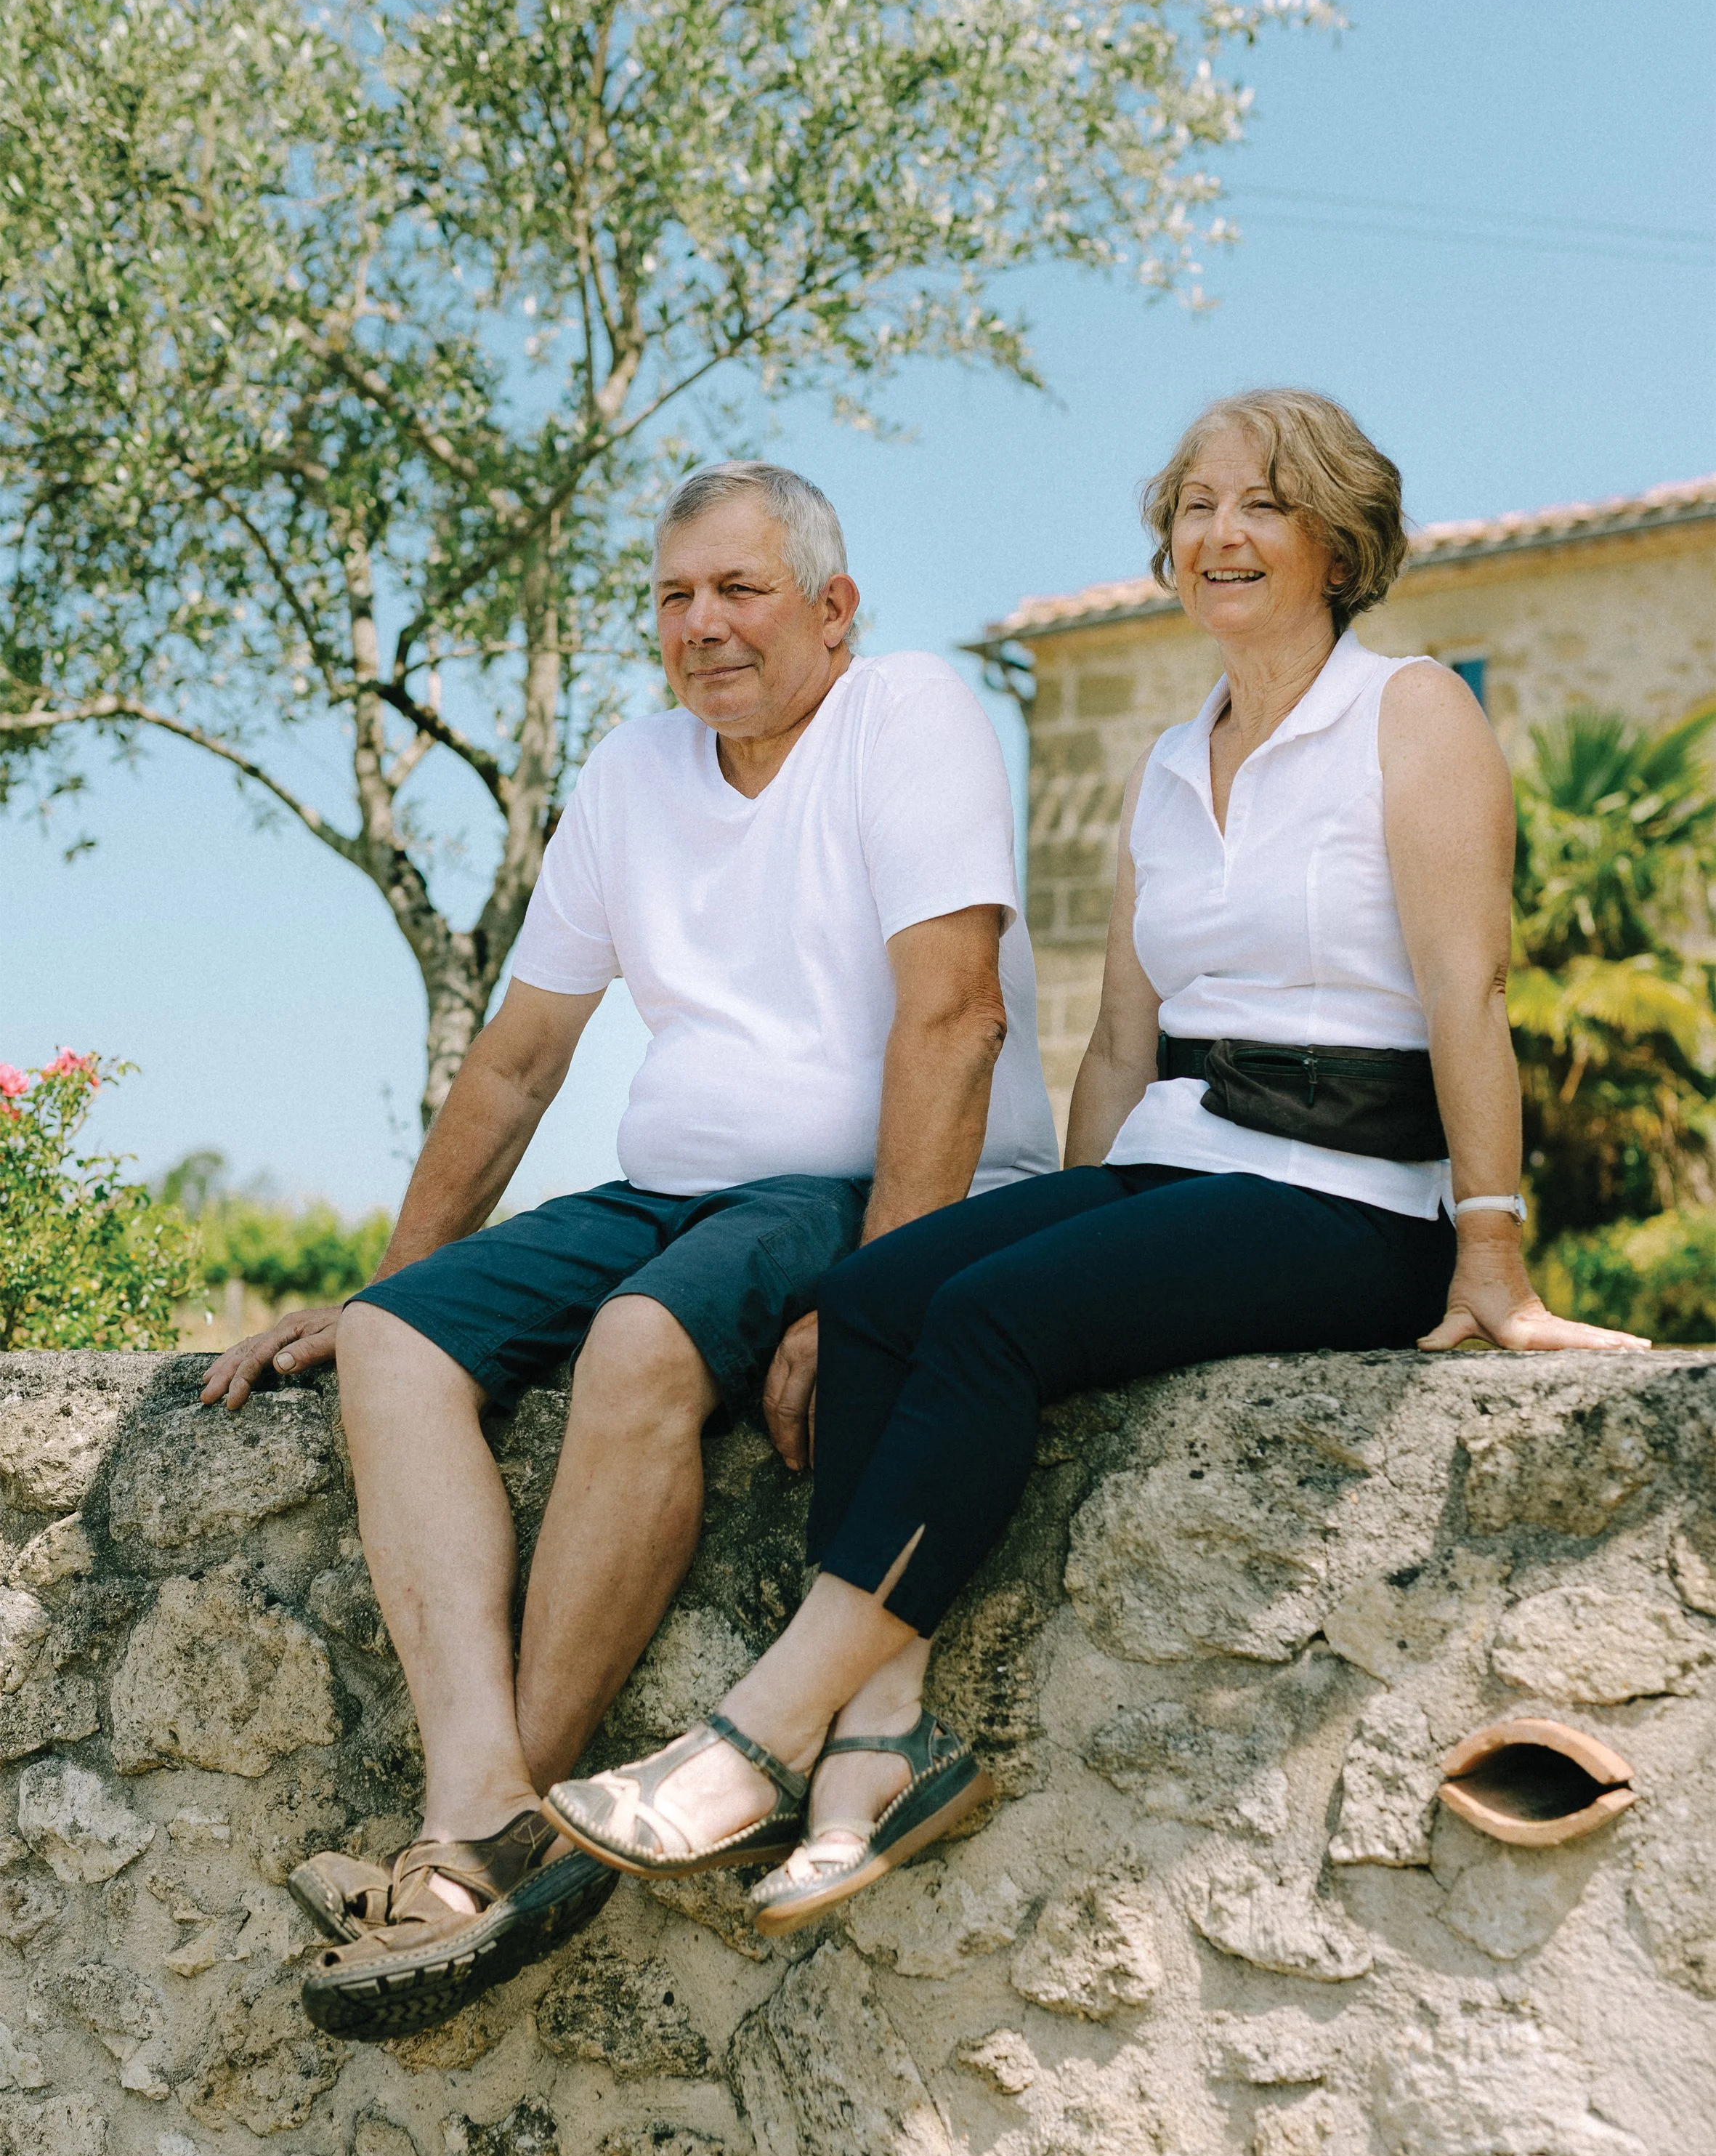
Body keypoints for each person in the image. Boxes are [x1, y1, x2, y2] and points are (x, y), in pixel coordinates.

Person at [547, 387, 1649, 1933]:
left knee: (994, 1321)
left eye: (1259, 503)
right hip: (1179, 1160)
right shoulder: (1166, 762)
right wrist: (1067, 1218)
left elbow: (1466, 990)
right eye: (1193, 506)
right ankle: (879, 1745)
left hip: (1351, 1197)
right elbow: (1123, 1040)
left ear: (1336, 543)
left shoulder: (1408, 714)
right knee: (879, 1297)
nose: (1217, 533)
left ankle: (756, 1736)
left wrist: (1490, 1252)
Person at [198, 460, 1057, 2038]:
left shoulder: (908, 714)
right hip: (673, 1188)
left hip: (858, 1178)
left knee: (641, 1340)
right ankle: (489, 1806)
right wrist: (391, 1278)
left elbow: (955, 1019)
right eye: (672, 597)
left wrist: (878, 1298)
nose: (701, 625)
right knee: (391, 1343)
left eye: (739, 589)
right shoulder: (630, 773)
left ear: (832, 607)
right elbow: (518, 1060)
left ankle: (468, 1855)